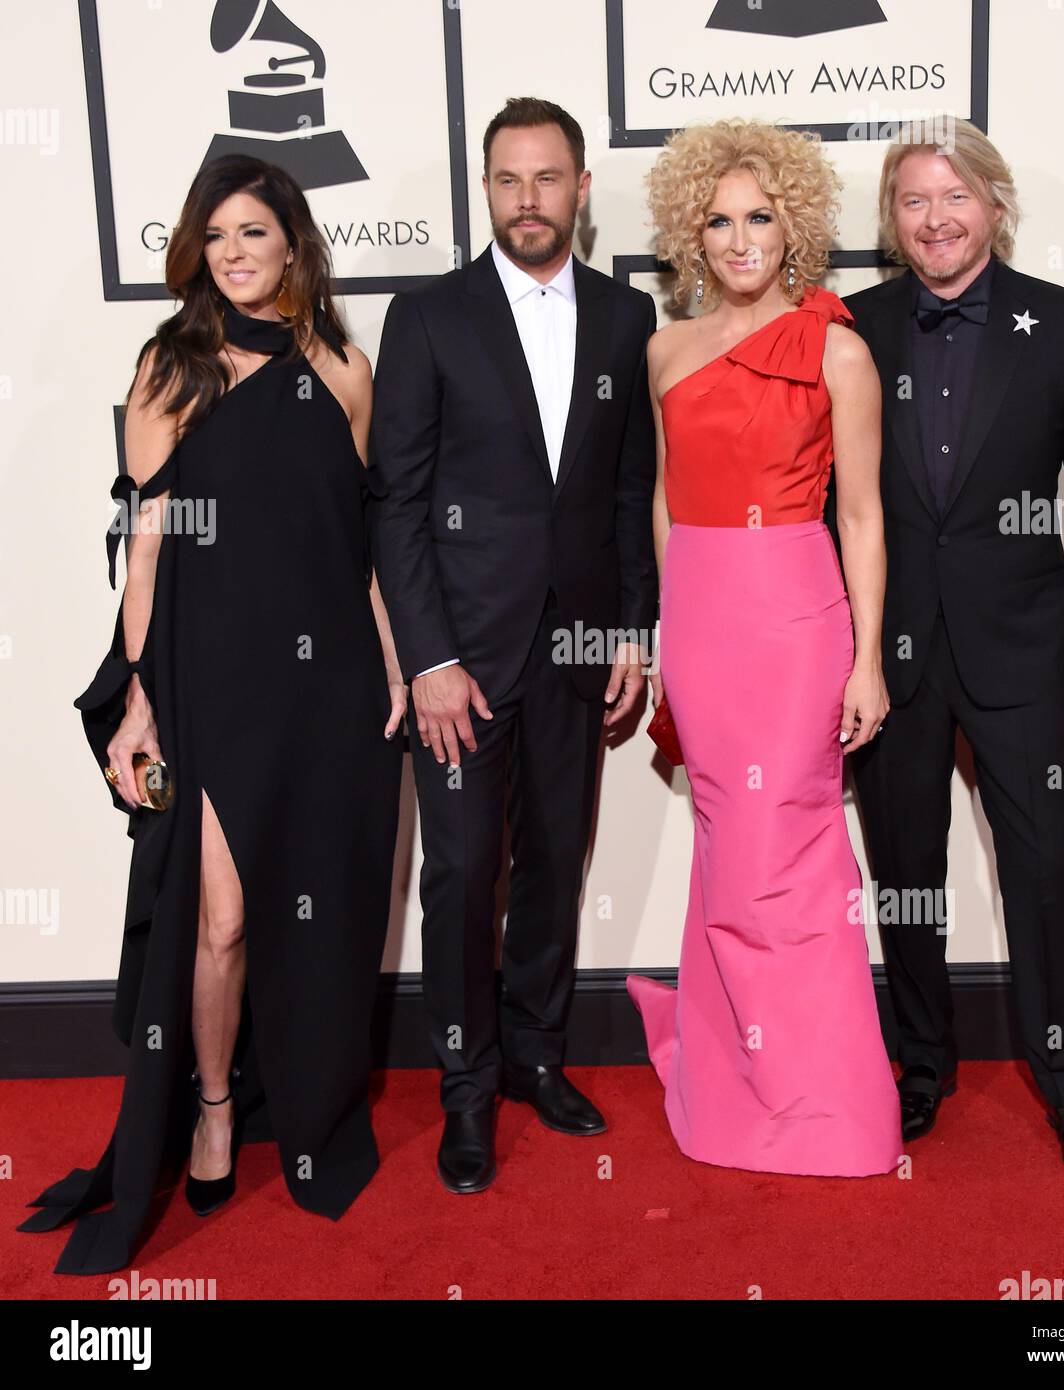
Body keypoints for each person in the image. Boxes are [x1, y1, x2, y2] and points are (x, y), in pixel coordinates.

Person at [18, 154, 407, 1274]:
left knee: (322, 904)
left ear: (294, 243)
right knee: (223, 917)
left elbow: (361, 543)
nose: (238, 254)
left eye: (257, 233)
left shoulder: (342, 366)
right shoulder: (172, 367)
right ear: (198, 249)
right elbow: (144, 546)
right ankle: (219, 1105)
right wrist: (135, 691)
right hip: (211, 674)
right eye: (219, 236)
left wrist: (389, 663)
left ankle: (307, 1095)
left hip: (326, 676)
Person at [369, 98, 658, 1193]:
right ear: (483, 190)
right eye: (507, 180)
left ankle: (538, 1055)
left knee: (553, 860)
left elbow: (629, 490)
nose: (527, 200)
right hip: (461, 657)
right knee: (457, 874)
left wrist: (633, 621)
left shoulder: (629, 320)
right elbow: (394, 501)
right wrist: (429, 658)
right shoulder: (430, 315)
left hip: (577, 646)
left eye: (548, 179)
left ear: (582, 189)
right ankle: (464, 1090)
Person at [841, 119, 1064, 1181]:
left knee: (1045, 871)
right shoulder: (854, 325)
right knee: (907, 875)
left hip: (1023, 654)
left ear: (995, 204)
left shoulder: (1062, 324)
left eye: (954, 197)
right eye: (914, 202)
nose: (936, 220)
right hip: (895, 653)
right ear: (894, 219)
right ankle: (922, 1070)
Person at [626, 118, 901, 1177]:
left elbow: (864, 518)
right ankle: (738, 1082)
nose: (741, 240)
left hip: (793, 623)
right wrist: (667, 630)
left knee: (784, 860)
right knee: (722, 854)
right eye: (718, 220)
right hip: (702, 625)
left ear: (795, 225)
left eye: (760, 217)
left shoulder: (837, 348)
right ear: (691, 236)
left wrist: (866, 657)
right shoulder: (663, 349)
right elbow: (663, 498)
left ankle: (824, 1103)